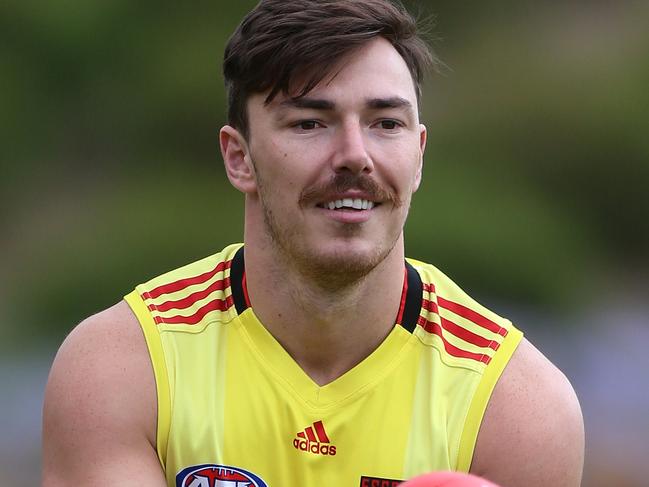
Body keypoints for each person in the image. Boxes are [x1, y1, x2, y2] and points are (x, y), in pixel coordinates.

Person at [42, 1, 585, 486]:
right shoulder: (122, 366)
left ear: (418, 155)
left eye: (386, 123)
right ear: (239, 158)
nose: (355, 154)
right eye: (309, 123)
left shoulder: (517, 406)